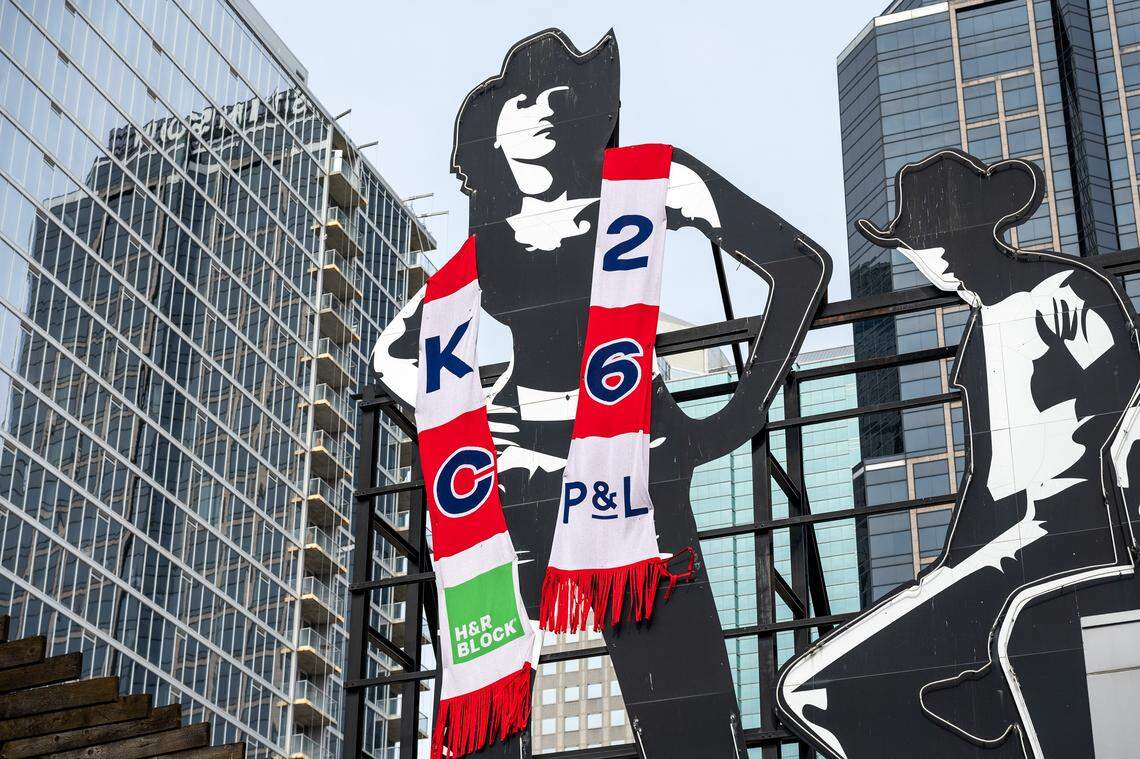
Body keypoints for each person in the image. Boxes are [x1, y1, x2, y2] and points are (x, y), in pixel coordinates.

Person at [375, 28, 831, 757]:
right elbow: (392, 355)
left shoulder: (648, 184)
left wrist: (738, 413)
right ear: (489, 131)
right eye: (522, 93)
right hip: (518, 482)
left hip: (634, 461)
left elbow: (799, 266)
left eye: (561, 87)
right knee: (491, 713)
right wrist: (482, 411)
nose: (544, 105)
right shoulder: (481, 249)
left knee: (687, 705)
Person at [778, 149, 1140, 759]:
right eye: (913, 245)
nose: (921, 258)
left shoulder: (1067, 291)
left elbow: (1127, 406)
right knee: (816, 689)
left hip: (1070, 536)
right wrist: (947, 569)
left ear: (961, 235)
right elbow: (987, 468)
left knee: (823, 688)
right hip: (999, 553)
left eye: (923, 240)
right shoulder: (979, 334)